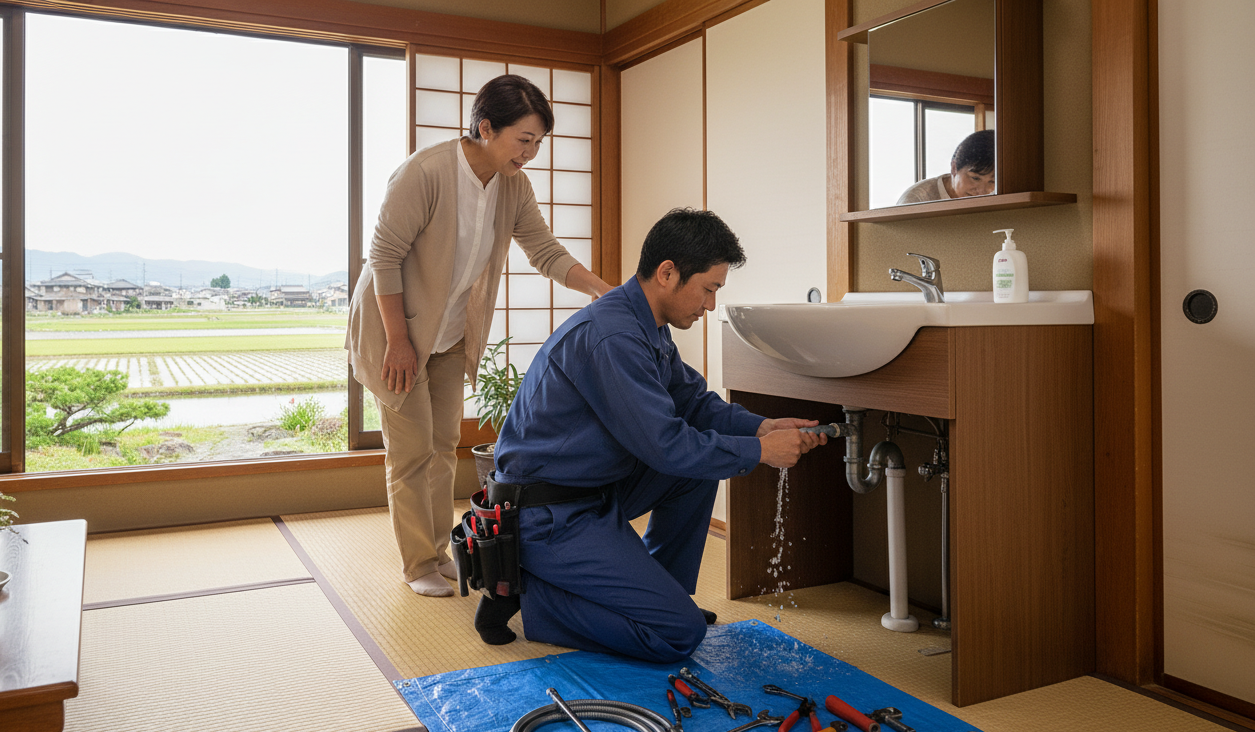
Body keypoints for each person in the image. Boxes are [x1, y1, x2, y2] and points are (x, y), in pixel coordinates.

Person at [472, 208, 829, 663]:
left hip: (592, 491)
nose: (711, 304)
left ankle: (661, 597)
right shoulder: (613, 336)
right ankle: (531, 593)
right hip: (547, 514)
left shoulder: (647, 328)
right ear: (667, 273)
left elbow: (695, 403)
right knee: (677, 636)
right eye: (709, 289)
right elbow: (665, 445)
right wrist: (761, 451)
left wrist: (761, 427)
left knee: (697, 474)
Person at [346, 74, 613, 598]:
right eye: (523, 140)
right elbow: (383, 257)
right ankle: (417, 562)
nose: (531, 153)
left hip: (449, 334)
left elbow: (545, 252)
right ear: (486, 128)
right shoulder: (426, 172)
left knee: (445, 445)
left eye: (538, 143)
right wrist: (399, 340)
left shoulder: (513, 185)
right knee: (411, 452)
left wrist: (605, 291)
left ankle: (438, 553)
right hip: (392, 329)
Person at [896, 129, 995, 205]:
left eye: (992, 181)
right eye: (975, 178)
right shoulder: (917, 199)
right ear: (954, 168)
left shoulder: (999, 195)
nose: (982, 192)